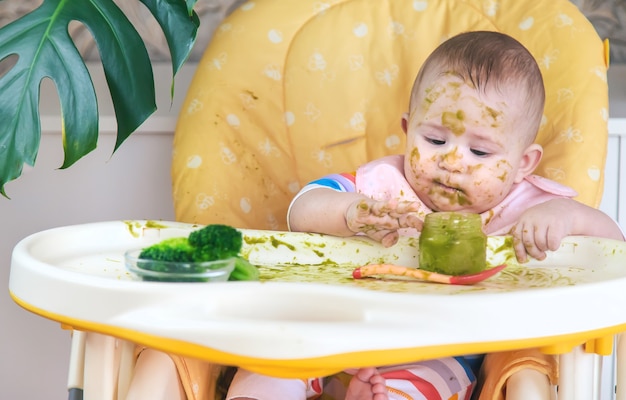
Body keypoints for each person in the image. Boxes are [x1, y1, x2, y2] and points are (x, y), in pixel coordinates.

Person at [226, 30, 624, 400]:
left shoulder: (530, 209)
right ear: (407, 128)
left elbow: (613, 251)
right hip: (336, 326)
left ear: (523, 163)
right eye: (435, 139)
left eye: (480, 152)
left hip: (444, 347)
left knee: (420, 386)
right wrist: (350, 212)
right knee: (266, 366)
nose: (452, 162)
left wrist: (567, 216)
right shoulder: (385, 186)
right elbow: (302, 211)